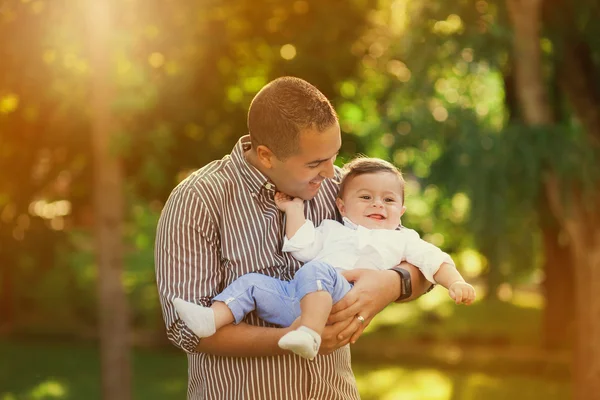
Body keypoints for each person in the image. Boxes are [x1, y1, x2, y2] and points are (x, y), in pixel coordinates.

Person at [155, 76, 432, 400]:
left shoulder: (341, 190)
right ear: (266, 155)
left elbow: (422, 260)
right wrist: (293, 337)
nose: (332, 172)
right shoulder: (197, 201)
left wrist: (392, 284)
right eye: (315, 163)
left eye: (334, 156)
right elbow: (184, 328)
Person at [174, 157, 476, 360]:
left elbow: (433, 260)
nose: (378, 205)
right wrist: (294, 211)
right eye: (366, 197)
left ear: (401, 212)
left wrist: (456, 281)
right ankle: (212, 318)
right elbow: (302, 246)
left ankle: (309, 332)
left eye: (389, 200)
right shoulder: (331, 228)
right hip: (294, 298)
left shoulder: (403, 238)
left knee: (318, 269)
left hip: (340, 299)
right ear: (342, 207)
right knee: (252, 284)